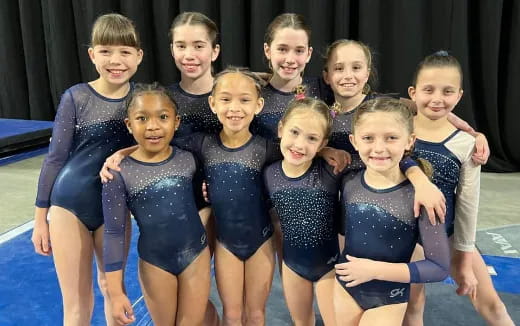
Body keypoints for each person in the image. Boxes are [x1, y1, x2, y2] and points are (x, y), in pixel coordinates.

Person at [31, 13, 143, 325]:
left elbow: (158, 142)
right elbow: (55, 157)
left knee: (113, 291)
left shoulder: (142, 99)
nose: (115, 60)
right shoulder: (76, 97)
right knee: (77, 302)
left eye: (124, 52)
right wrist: (41, 219)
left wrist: (126, 150)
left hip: (115, 208)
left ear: (138, 56)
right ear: (92, 55)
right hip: (70, 205)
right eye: (106, 52)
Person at [402, 51, 515, 326]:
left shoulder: (466, 145)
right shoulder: (397, 127)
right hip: (404, 234)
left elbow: (467, 203)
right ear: (413, 92)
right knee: (413, 305)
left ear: (460, 95)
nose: (437, 98)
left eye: (447, 91)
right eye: (428, 90)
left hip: (448, 231)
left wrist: (464, 256)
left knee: (489, 301)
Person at [334, 97, 451, 326]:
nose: (379, 148)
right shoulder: (348, 180)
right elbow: (342, 230)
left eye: (391, 138)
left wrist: (374, 270)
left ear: (410, 141)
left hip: (388, 297)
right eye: (368, 138)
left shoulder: (423, 197)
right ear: (354, 141)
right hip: (345, 287)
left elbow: (438, 268)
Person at [103, 83, 211, 326]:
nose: (153, 126)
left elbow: (206, 198)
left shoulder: (189, 158)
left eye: (163, 117)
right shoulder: (118, 174)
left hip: (195, 255)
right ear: (129, 125)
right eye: (142, 118)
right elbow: (114, 232)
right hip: (155, 262)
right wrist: (115, 292)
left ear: (176, 121)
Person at [322, 39, 490, 170]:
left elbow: (438, 111)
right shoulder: (322, 112)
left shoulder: (382, 104)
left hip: (377, 184)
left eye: (356, 68)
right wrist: (324, 151)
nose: (348, 75)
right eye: (339, 69)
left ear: (367, 73)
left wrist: (474, 134)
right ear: (327, 76)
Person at [263, 98, 340, 326]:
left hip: (330, 265)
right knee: (301, 321)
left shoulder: (332, 170)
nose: (299, 144)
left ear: (323, 143)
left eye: (312, 139)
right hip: (293, 265)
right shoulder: (269, 173)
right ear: (280, 129)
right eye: (294, 132)